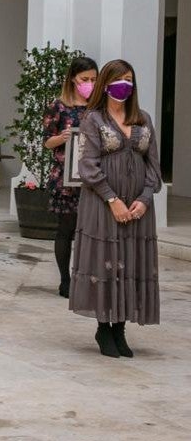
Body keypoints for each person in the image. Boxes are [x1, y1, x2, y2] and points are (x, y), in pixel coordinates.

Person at [69, 59, 161, 359]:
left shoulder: (143, 119)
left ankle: (120, 328)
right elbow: (88, 167)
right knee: (106, 260)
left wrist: (145, 198)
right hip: (102, 204)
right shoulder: (93, 120)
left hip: (137, 208)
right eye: (119, 78)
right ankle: (103, 327)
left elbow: (154, 166)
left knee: (131, 262)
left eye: (129, 78)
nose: (125, 84)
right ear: (106, 84)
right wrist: (113, 199)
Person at [42, 56, 98, 297]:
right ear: (73, 79)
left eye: (94, 79)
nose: (89, 83)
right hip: (66, 178)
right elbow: (47, 142)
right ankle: (65, 279)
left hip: (93, 178)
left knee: (91, 231)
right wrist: (63, 137)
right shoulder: (58, 106)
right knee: (66, 229)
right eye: (85, 79)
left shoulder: (99, 107)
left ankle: (85, 276)